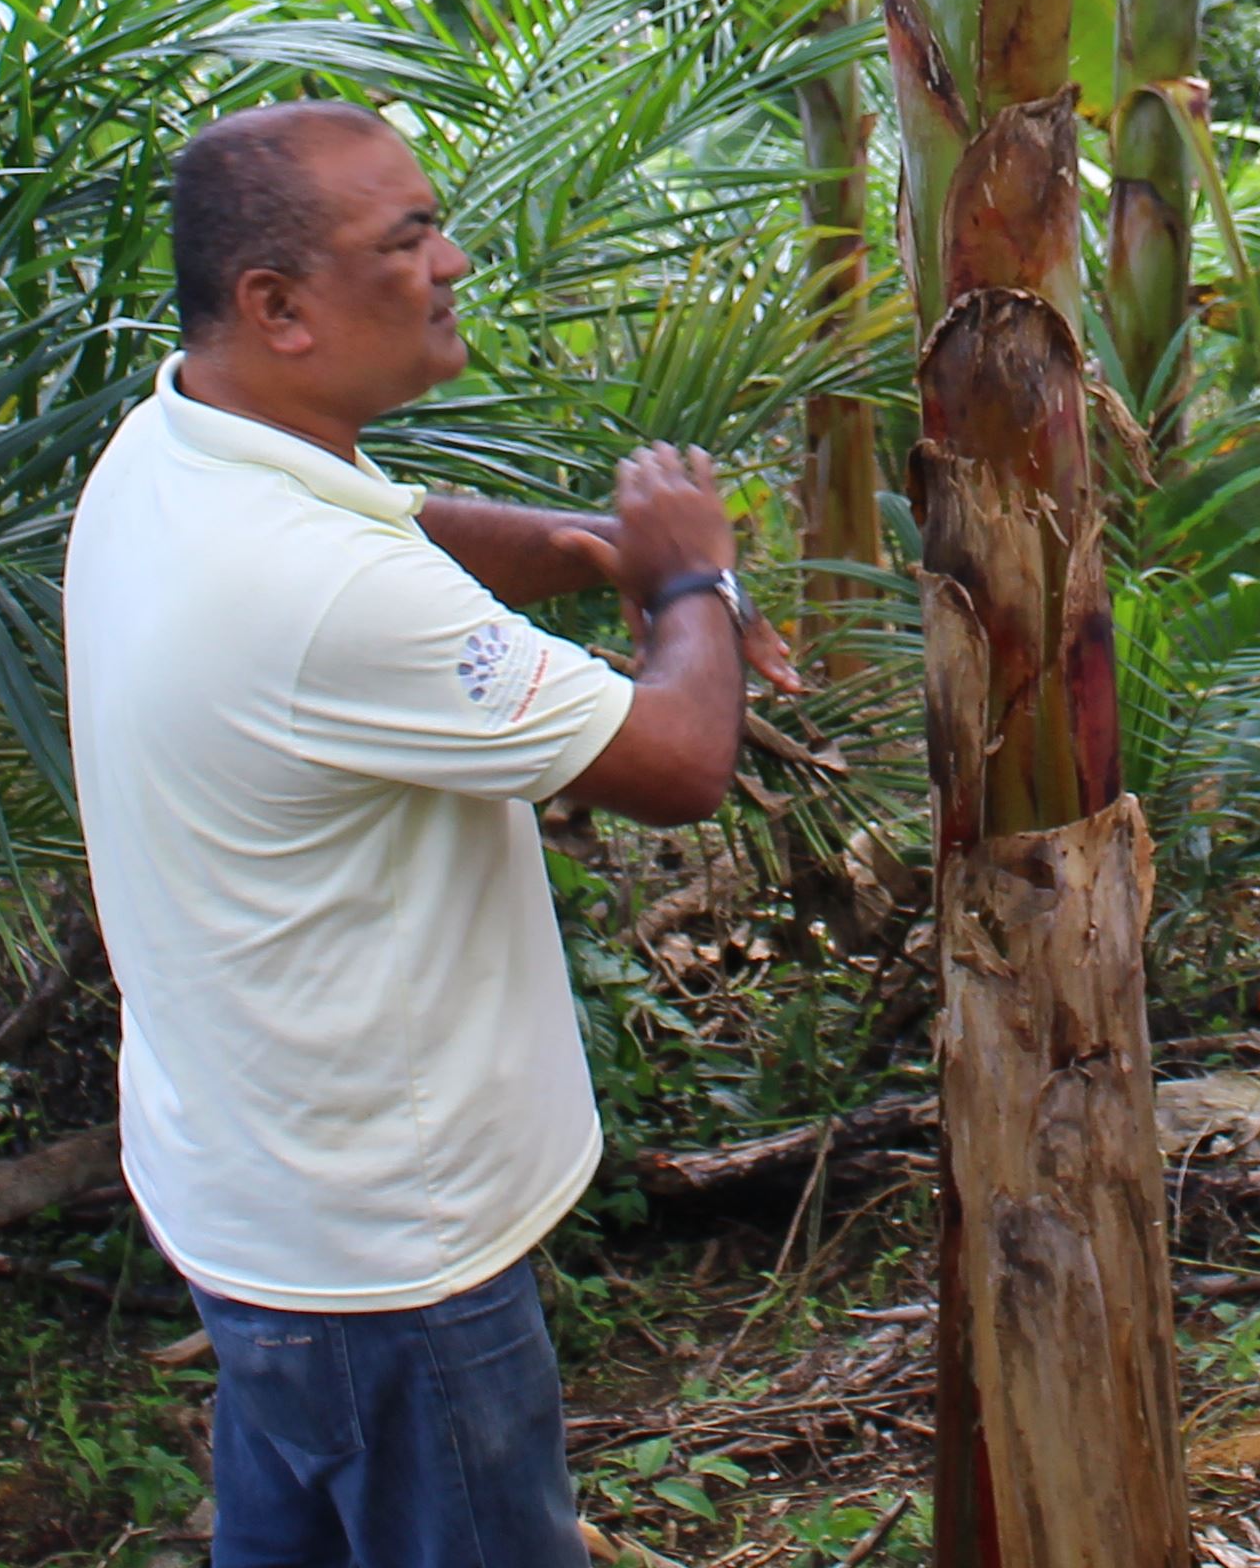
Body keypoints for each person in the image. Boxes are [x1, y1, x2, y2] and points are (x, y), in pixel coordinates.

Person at [64, 98, 781, 1568]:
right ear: (280, 306)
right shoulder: (320, 594)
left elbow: (403, 527)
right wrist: (693, 580)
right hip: (391, 1258)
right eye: (407, 240)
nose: (452, 259)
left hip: (259, 1201)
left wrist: (594, 556)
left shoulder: (174, 450)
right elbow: (675, 761)